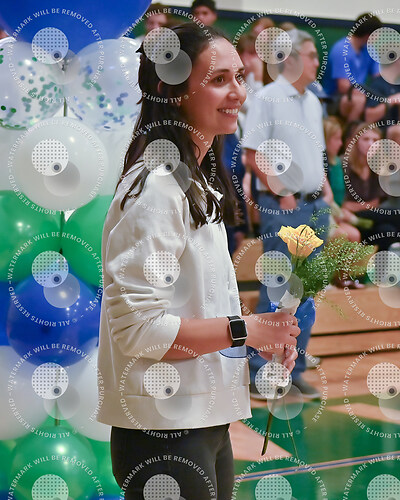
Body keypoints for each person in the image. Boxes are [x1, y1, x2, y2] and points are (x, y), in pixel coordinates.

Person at [97, 23, 300, 500]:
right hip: (164, 431)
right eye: (219, 80)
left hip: (202, 418)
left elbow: (194, 306)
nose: (238, 93)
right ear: (173, 92)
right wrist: (243, 330)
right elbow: (140, 331)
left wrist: (258, 331)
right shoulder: (156, 189)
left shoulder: (194, 182)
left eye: (239, 76)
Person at [242, 29, 330, 400]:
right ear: (291, 59)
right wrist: (283, 191)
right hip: (284, 207)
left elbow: (317, 152)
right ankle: (260, 373)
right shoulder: (268, 97)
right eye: (311, 55)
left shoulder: (313, 100)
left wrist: (325, 191)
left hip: (315, 206)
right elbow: (252, 153)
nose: (317, 62)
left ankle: (294, 371)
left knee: (306, 294)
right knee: (278, 291)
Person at [323, 13, 382, 122]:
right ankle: (352, 131)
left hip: (361, 93)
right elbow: (343, 87)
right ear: (369, 35)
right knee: (359, 101)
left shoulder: (368, 50)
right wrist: (369, 95)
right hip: (334, 98)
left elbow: (379, 76)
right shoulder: (341, 50)